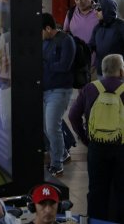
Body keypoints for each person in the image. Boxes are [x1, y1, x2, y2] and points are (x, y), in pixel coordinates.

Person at [68, 53, 124, 221]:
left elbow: (72, 115)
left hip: (97, 147)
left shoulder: (90, 89)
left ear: (103, 70)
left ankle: (95, 220)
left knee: (96, 189)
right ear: (121, 71)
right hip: (121, 148)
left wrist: (86, 138)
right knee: (121, 189)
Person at [39, 12, 75, 178]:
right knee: (47, 128)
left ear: (48, 28)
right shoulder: (45, 42)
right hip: (46, 90)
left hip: (60, 90)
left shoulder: (66, 41)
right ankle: (62, 153)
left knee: (53, 126)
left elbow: (64, 66)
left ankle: (57, 165)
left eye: (41, 31)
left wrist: (45, 63)